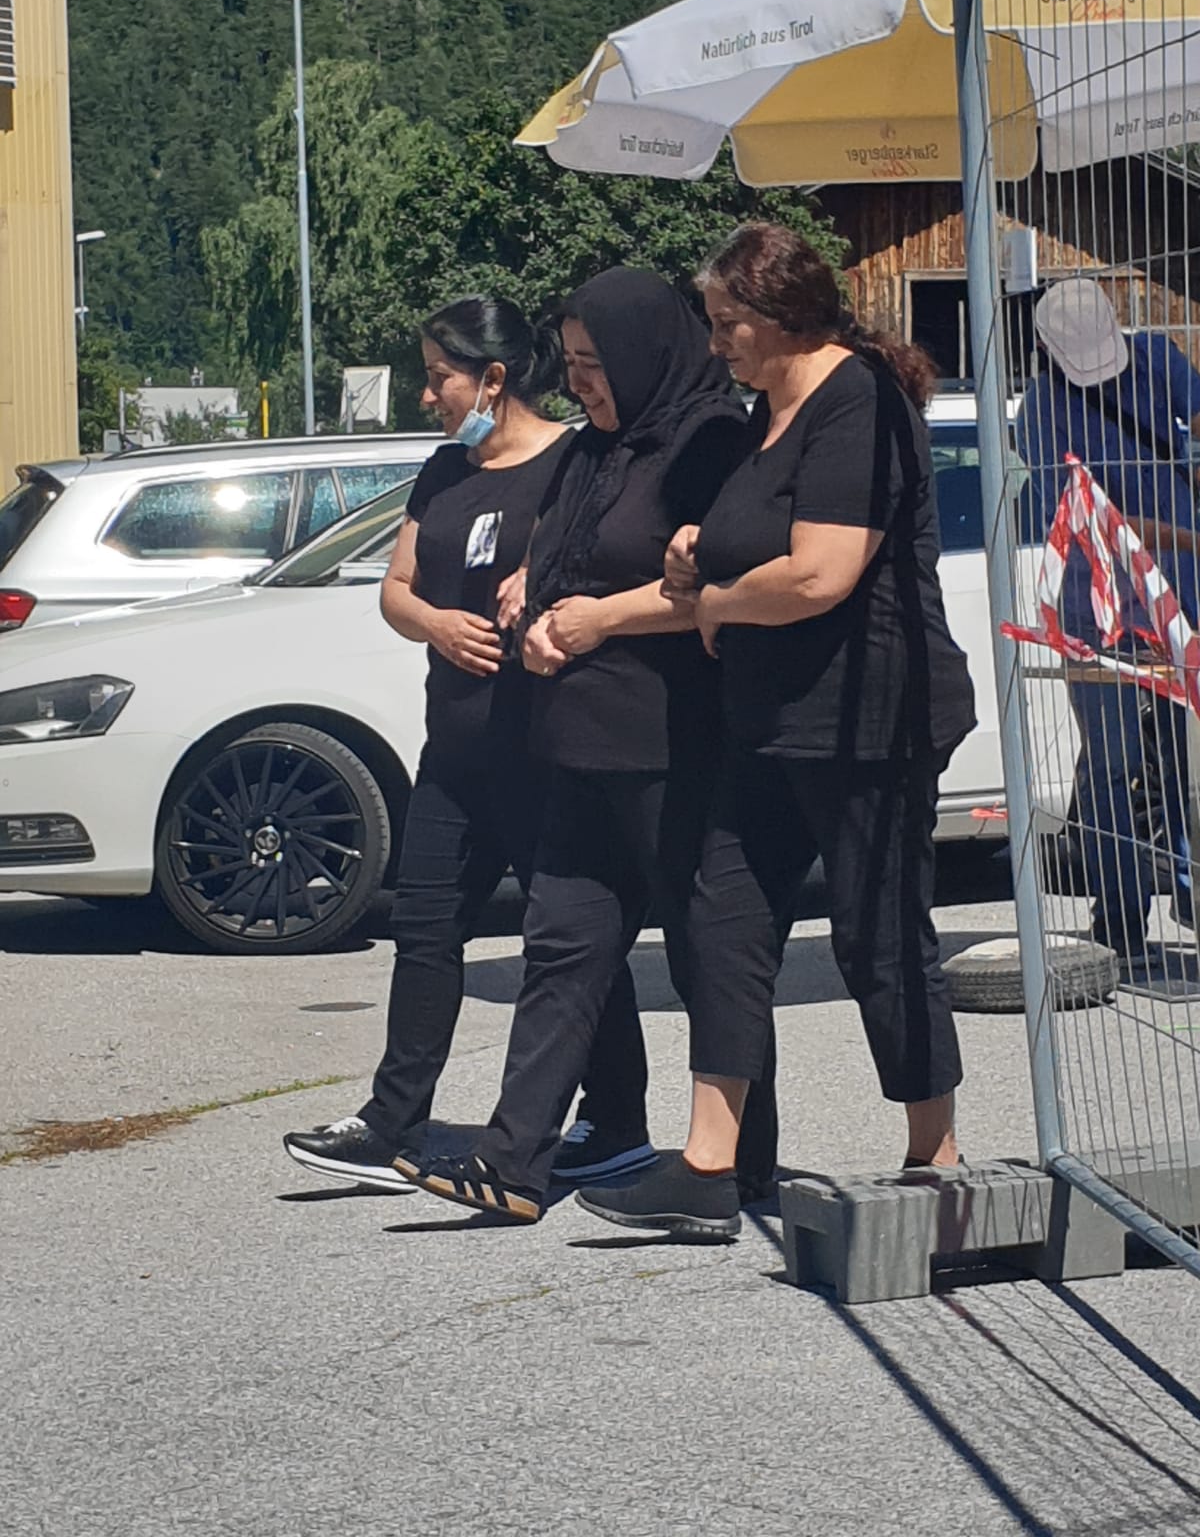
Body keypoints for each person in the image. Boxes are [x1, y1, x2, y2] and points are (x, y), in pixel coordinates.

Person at [576, 222, 977, 1240]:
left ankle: (935, 1153)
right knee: (722, 924)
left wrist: (714, 602)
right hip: (770, 721)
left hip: (870, 718)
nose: (716, 344)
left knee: (878, 936)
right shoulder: (766, 411)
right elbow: (750, 541)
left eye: (727, 324)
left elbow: (820, 573)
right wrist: (695, 554)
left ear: (782, 315)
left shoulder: (861, 402)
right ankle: (709, 1167)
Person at [393, 266, 778, 1222]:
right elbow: (555, 554)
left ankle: (737, 1164)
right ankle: (512, 1163)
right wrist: (532, 604)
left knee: (703, 956)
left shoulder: (709, 440)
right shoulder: (594, 450)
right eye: (568, 363)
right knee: (560, 945)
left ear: (643, 354)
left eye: (593, 364)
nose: (579, 384)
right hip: (575, 741)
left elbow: (718, 586)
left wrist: (597, 619)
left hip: (671, 744)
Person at [284, 295, 654, 1191]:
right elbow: (397, 587)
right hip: (453, 750)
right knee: (423, 930)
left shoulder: (573, 460)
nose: (428, 396)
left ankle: (616, 1120)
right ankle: (391, 1120)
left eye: (439, 377)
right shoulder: (446, 468)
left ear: (493, 378)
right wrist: (437, 624)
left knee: (567, 941)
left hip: (544, 747)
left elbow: (600, 561)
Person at [1015, 278, 1200, 968]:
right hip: (1096, 606)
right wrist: (1189, 537)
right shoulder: (1040, 409)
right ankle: (1120, 912)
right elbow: (1090, 519)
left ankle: (1186, 890)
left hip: (1180, 601)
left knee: (1185, 758)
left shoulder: (1156, 357)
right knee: (1114, 759)